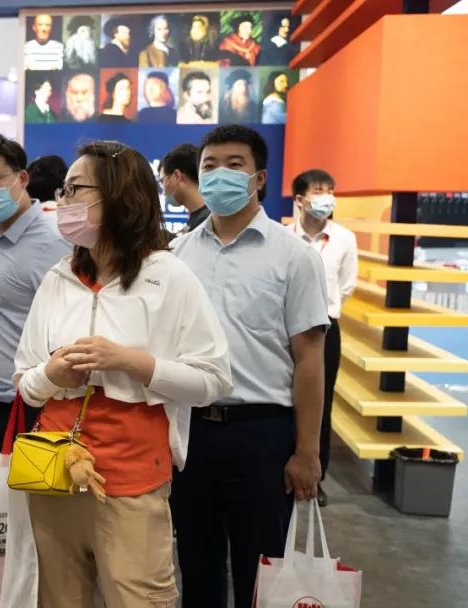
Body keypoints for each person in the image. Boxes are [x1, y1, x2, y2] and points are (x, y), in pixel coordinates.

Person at [13, 140, 232, 608]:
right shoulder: (58, 278)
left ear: (118, 195)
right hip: (52, 474)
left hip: (131, 482)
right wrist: (52, 374)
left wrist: (131, 361)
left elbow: (213, 380)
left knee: (138, 598)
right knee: (58, 599)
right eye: (63, 190)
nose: (62, 201)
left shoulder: (168, 277)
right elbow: (24, 384)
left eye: (75, 189)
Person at [171, 125, 328, 608]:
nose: (219, 173)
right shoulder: (177, 254)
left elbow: (309, 360)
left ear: (259, 178)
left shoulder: (295, 257)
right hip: (191, 433)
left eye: (234, 164)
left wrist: (307, 452)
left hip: (262, 435)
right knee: (196, 563)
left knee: (260, 571)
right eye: (210, 165)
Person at [0, 134, 72, 541]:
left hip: (29, 413)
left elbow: (68, 329)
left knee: (25, 540)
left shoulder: (53, 242)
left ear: (22, 179)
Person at [289, 169, 357, 507]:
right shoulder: (284, 237)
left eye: (330, 190)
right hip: (288, 326)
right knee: (287, 397)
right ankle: (286, 464)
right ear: (300, 199)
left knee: (321, 401)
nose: (326, 196)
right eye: (318, 190)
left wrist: (325, 308)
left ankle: (317, 476)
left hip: (327, 326)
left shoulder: (344, 239)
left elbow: (346, 285)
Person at [161, 143, 209, 235]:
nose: (163, 188)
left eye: (163, 180)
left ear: (177, 176)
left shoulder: (206, 224)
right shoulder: (200, 220)